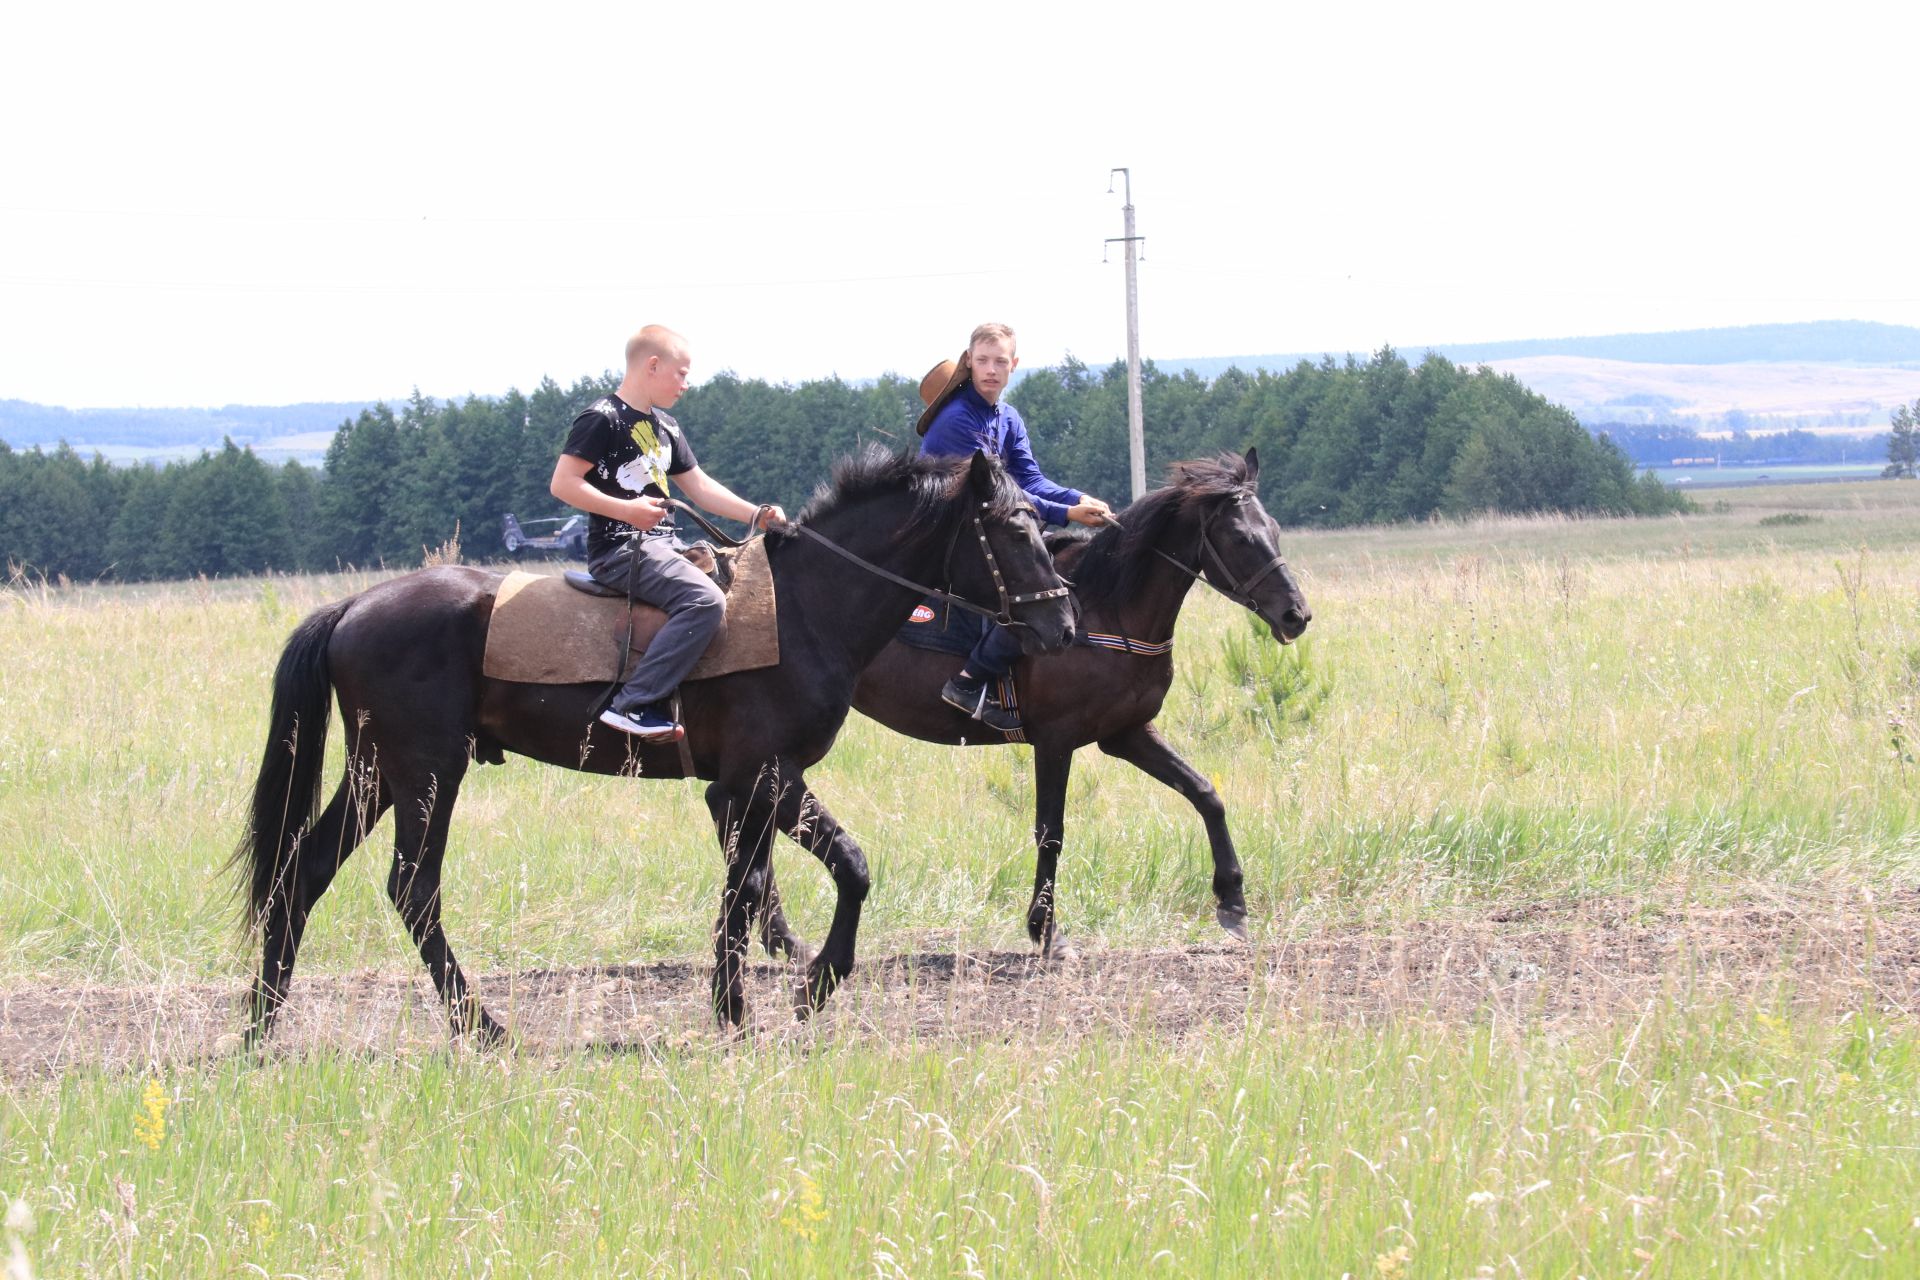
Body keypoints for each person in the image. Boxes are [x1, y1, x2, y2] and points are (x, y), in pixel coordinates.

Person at [550, 325, 786, 741]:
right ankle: (635, 704)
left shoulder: (667, 427)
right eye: (681, 373)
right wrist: (626, 510)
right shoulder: (601, 418)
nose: (686, 384)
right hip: (620, 550)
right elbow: (563, 483)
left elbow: (699, 487)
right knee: (703, 599)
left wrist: (758, 514)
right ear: (652, 366)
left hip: (664, 546)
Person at [917, 321, 1112, 731]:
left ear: (1013, 365)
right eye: (983, 361)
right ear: (969, 363)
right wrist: (1064, 514)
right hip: (945, 534)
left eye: (1000, 361)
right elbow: (995, 495)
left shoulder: (1007, 418)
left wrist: (1078, 499)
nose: (991, 369)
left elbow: (1030, 481)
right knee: (1028, 589)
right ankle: (968, 682)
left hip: (986, 525)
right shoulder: (957, 420)